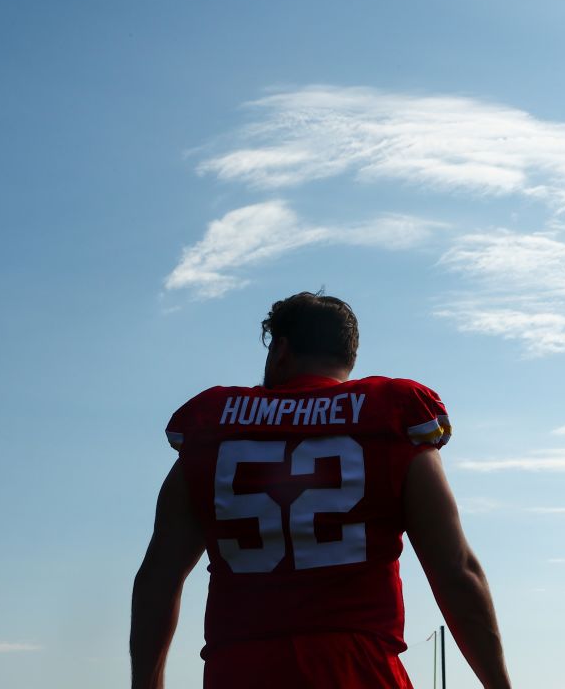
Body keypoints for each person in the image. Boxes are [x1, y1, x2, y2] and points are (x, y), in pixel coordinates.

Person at [130, 291, 511, 689]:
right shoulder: (391, 418)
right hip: (356, 668)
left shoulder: (213, 428)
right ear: (348, 358)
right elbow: (456, 571)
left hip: (240, 668)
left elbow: (159, 577)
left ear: (280, 350)